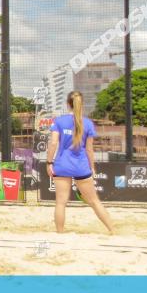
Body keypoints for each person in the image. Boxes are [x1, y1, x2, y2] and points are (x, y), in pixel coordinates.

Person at [47, 91, 114, 234]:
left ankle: (60, 233)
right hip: (81, 166)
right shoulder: (88, 123)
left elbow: (53, 144)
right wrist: (92, 167)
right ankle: (113, 231)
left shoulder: (59, 121)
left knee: (60, 202)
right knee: (95, 202)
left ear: (67, 104)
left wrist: (49, 163)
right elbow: (89, 150)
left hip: (62, 165)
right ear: (81, 104)